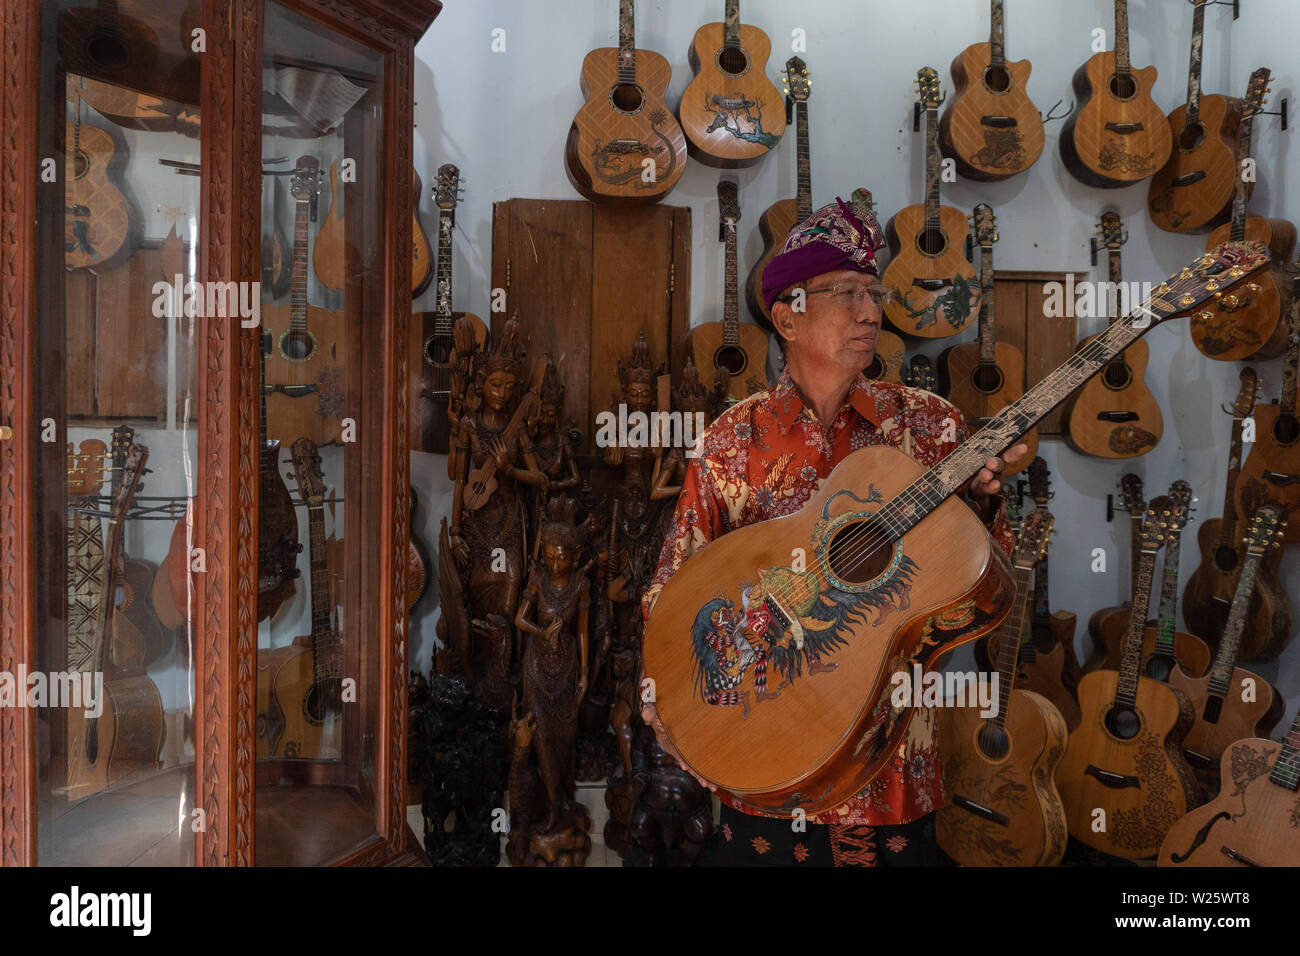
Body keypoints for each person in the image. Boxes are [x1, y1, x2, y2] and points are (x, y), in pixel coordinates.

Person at [639, 197, 1027, 866]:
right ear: (787, 313)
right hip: (760, 753)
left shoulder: (931, 428)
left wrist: (991, 503)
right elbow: (672, 591)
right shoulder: (732, 442)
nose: (870, 311)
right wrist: (668, 707)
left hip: (891, 768)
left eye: (873, 293)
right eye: (847, 293)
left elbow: (991, 576)